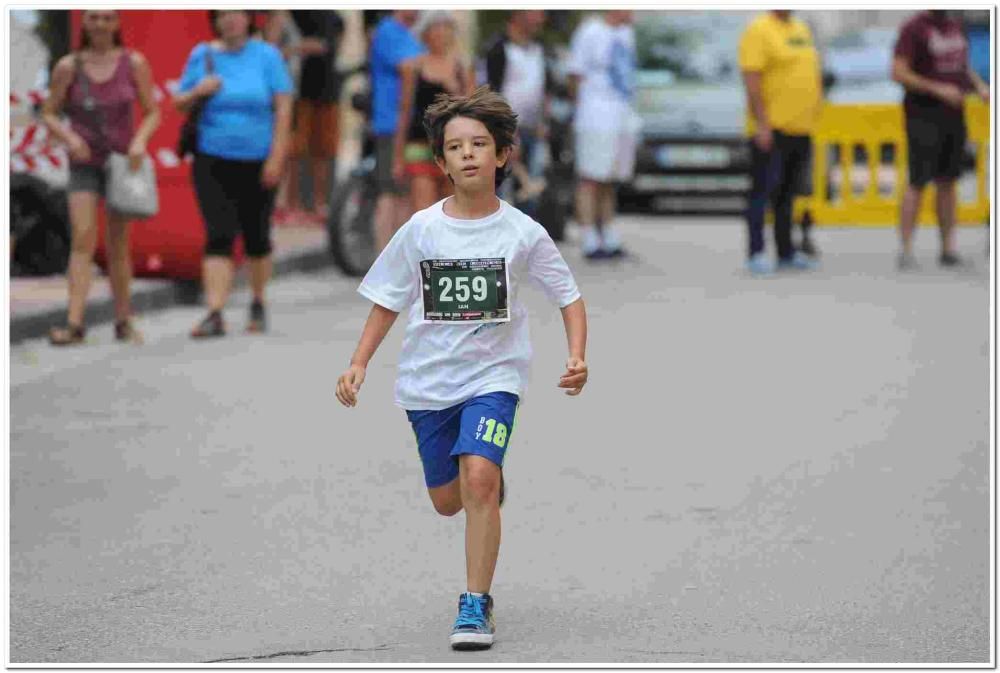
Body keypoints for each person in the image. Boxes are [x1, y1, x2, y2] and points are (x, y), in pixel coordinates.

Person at [334, 86, 588, 650]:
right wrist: (358, 362)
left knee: (478, 477)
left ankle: (475, 603)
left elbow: (567, 295)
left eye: (480, 144)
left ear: (502, 155)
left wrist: (576, 355)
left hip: (494, 379)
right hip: (429, 385)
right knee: (448, 500)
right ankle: (485, 484)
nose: (468, 154)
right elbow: (388, 299)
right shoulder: (422, 230)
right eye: (456, 146)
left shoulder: (523, 232)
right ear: (441, 161)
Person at [41, 9, 160, 346]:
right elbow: (49, 112)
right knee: (82, 238)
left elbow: (153, 112)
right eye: (94, 18)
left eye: (107, 18)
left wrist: (139, 141)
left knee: (118, 244)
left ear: (117, 23)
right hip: (84, 162)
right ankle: (74, 323)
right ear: (85, 23)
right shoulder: (69, 67)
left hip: (122, 164)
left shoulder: (134, 63)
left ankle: (123, 320)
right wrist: (69, 138)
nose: (100, 24)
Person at [174, 10, 292, 337]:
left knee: (257, 236)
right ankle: (215, 311)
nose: (229, 20)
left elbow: (283, 109)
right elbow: (178, 102)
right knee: (219, 232)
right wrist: (200, 90)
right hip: (212, 157)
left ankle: (257, 301)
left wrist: (277, 157)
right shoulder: (203, 54)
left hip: (258, 158)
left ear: (248, 19)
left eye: (236, 14)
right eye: (222, 14)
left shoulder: (267, 56)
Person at [892, 10, 990, 270]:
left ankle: (948, 248)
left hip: (954, 116)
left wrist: (979, 86)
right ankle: (906, 249)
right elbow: (898, 72)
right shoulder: (914, 28)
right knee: (918, 181)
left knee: (948, 182)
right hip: (923, 116)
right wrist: (938, 89)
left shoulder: (955, 25)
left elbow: (962, 66)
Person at [738, 10, 822, 276]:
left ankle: (786, 251)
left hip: (801, 128)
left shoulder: (800, 29)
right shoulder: (759, 30)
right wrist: (762, 124)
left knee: (788, 195)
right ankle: (756, 252)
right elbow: (752, 80)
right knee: (762, 193)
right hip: (772, 129)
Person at [567, 10, 639, 260]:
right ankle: (588, 237)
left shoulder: (627, 34)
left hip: (621, 116)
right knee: (591, 177)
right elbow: (574, 75)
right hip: (595, 115)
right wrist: (582, 109)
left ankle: (608, 234)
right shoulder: (590, 31)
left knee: (609, 178)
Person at [394, 11, 476, 213]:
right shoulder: (413, 67)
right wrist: (397, 157)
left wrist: (453, 88)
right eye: (435, 29)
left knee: (450, 216)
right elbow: (404, 111)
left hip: (453, 150)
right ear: (425, 34)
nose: (440, 34)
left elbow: (472, 112)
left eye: (445, 28)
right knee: (424, 215)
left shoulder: (462, 68)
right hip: (420, 145)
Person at [274, 10, 345, 224]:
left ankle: (318, 206)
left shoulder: (334, 17)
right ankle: (290, 205)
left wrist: (300, 47)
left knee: (323, 151)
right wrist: (301, 46)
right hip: (297, 92)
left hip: (327, 91)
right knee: (294, 151)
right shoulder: (291, 14)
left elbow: (328, 46)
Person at [482, 10, 550, 218]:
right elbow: (492, 92)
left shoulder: (539, 49)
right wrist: (506, 130)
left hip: (533, 129)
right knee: (506, 190)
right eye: (535, 12)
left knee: (531, 193)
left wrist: (543, 122)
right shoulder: (499, 48)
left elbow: (543, 90)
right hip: (508, 129)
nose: (541, 18)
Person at [369, 10, 424, 253]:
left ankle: (403, 258)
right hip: (391, 123)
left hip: (413, 125)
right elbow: (409, 68)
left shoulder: (411, 34)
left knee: (405, 194)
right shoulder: (389, 30)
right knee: (389, 191)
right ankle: (385, 259)